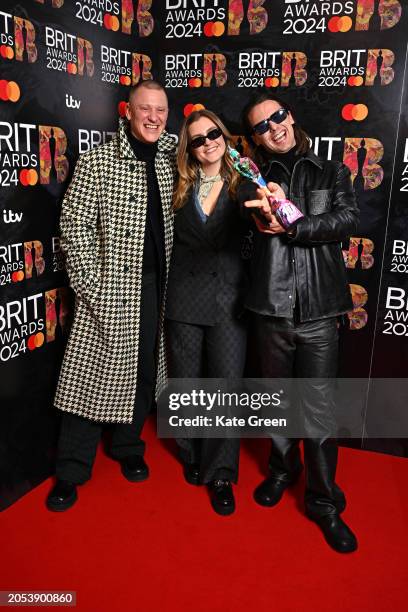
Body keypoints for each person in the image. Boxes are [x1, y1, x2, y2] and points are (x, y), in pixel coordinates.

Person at [46, 80, 177, 511]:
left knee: (141, 374)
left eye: (160, 110)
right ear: (127, 111)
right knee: (87, 377)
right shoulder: (98, 161)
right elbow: (73, 224)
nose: (153, 117)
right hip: (110, 288)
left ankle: (127, 447)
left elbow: (216, 154)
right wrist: (90, 283)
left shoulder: (172, 156)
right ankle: (71, 470)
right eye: (145, 109)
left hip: (156, 287)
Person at [239, 93, 359, 552]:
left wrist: (296, 225)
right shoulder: (252, 177)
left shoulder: (331, 170)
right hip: (271, 307)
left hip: (321, 310)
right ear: (255, 138)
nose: (275, 127)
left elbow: (347, 219)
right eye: (262, 125)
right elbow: (250, 223)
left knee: (319, 412)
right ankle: (281, 471)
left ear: (291, 117)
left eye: (279, 116)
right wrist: (266, 214)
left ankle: (324, 502)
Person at [165, 110, 249, 515]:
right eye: (197, 139)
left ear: (224, 134)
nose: (208, 142)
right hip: (183, 299)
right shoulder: (177, 184)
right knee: (185, 383)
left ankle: (221, 473)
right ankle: (191, 453)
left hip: (229, 299)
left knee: (225, 388)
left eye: (213, 133)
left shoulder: (246, 180)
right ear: (189, 148)